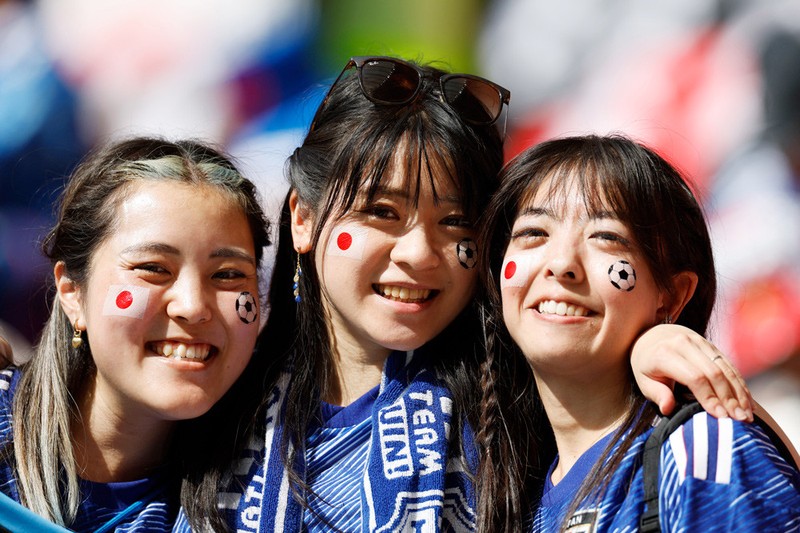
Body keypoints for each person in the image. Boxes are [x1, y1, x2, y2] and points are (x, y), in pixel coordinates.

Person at [169, 56, 754, 533]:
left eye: (456, 224)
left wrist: (649, 351)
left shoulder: (514, 394)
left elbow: (736, 468)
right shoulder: (209, 390)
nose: (420, 254)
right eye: (382, 211)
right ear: (302, 218)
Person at [477, 134, 800, 531]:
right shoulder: (495, 494)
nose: (561, 264)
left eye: (606, 238)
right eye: (534, 233)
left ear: (671, 295)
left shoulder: (702, 451)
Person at [0, 137, 270, 531]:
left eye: (228, 274)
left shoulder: (270, 493)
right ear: (72, 293)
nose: (193, 306)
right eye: (154, 268)